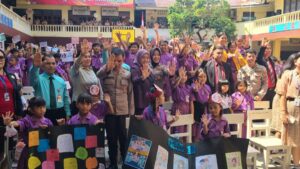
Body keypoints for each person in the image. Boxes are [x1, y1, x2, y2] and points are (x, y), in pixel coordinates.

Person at [97, 47, 134, 169]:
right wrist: (108, 66)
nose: (117, 63)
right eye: (115, 60)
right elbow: (98, 74)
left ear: (123, 59)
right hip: (109, 111)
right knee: (112, 139)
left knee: (123, 139)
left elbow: (130, 94)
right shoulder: (106, 71)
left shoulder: (127, 74)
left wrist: (131, 112)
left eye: (119, 60)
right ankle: (113, 163)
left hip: (123, 111)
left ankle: (125, 162)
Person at [2, 97, 53, 169]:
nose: (42, 110)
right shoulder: (27, 120)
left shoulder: (48, 121)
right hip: (28, 152)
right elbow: (18, 123)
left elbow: (53, 135)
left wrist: (48, 129)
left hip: (43, 151)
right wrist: (9, 123)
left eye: (44, 107)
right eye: (38, 107)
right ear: (31, 109)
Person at [30, 52, 70, 125]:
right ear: (43, 65)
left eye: (53, 63)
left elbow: (65, 98)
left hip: (60, 112)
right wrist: (35, 67)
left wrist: (68, 113)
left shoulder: (61, 80)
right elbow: (32, 79)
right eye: (48, 63)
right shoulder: (38, 79)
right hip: (43, 113)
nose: (51, 66)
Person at [0, 49, 23, 158]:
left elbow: (16, 95)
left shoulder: (11, 76)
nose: (0, 60)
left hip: (11, 116)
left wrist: (19, 112)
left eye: (2, 57)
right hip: (0, 117)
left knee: (9, 148)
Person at [279, 53, 300, 166]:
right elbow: (282, 95)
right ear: (295, 62)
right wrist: (283, 113)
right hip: (291, 106)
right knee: (292, 138)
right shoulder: (288, 74)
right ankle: (293, 164)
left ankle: (296, 163)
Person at [70, 51, 103, 116]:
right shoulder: (76, 70)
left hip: (91, 105)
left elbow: (97, 86)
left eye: (89, 57)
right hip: (79, 105)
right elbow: (76, 64)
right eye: (85, 57)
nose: (88, 58)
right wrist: (81, 53)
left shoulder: (91, 70)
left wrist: (100, 100)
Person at [171, 67, 194, 134]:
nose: (184, 77)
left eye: (185, 75)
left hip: (187, 111)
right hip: (177, 110)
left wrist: (191, 115)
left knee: (186, 131)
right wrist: (179, 78)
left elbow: (191, 102)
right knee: (177, 133)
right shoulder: (175, 86)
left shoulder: (189, 88)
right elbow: (174, 85)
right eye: (182, 75)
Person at [131, 49, 154, 115]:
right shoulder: (134, 68)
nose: (146, 60)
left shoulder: (149, 68)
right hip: (139, 101)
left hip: (148, 101)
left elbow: (152, 82)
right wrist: (142, 77)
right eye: (143, 57)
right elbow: (134, 81)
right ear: (138, 57)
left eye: (147, 58)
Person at [257, 39, 277, 108]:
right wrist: (262, 47)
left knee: (271, 109)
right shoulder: (260, 61)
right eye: (266, 49)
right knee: (263, 111)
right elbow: (259, 57)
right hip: (264, 90)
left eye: (269, 49)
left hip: (272, 90)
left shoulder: (271, 60)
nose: (268, 50)